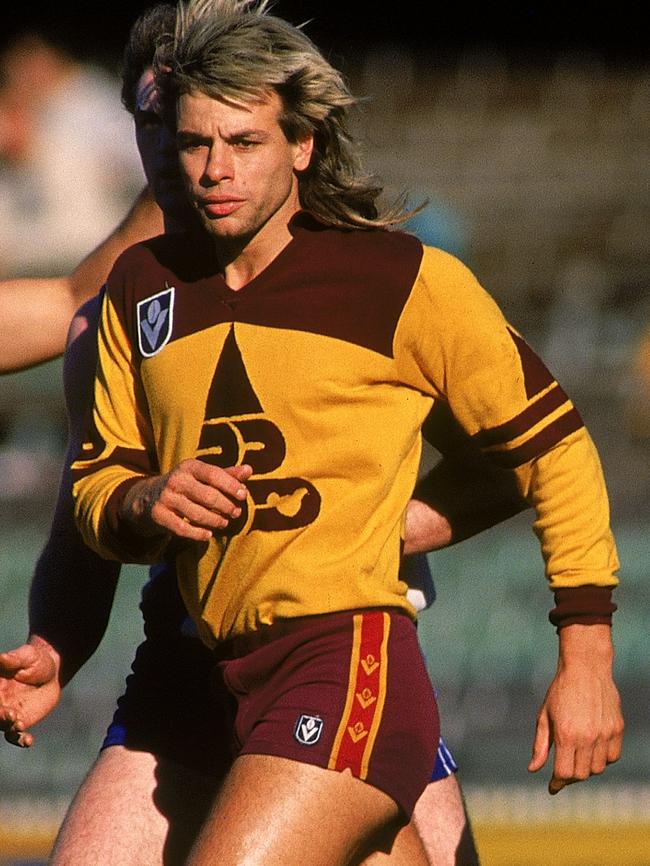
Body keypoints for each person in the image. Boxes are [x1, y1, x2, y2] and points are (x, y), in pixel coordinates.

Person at [70, 1, 623, 864]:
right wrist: (144, 497)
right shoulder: (142, 288)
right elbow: (95, 485)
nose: (214, 168)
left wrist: (584, 654)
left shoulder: (402, 278)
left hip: (343, 660)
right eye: (193, 143)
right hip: (200, 670)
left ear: (303, 144)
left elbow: (554, 448)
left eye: (244, 142)